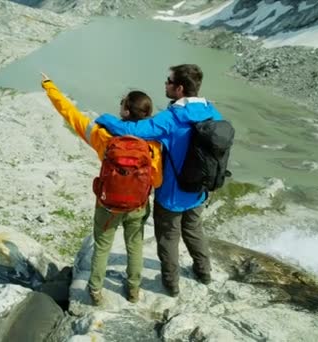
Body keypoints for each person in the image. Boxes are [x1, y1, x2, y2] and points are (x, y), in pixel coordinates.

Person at [94, 64, 223, 297]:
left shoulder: (172, 118)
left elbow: (132, 129)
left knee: (168, 238)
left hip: (171, 194)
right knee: (194, 230)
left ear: (179, 88)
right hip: (198, 191)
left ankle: (171, 285)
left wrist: (103, 118)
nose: (165, 84)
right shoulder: (212, 112)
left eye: (169, 81)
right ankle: (204, 272)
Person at [40, 73, 163, 305]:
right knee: (135, 246)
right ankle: (134, 290)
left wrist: (50, 87)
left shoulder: (103, 136)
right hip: (138, 205)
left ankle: (95, 291)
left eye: (122, 103)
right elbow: (156, 181)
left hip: (108, 205)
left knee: (102, 246)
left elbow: (71, 114)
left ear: (126, 111)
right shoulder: (153, 145)